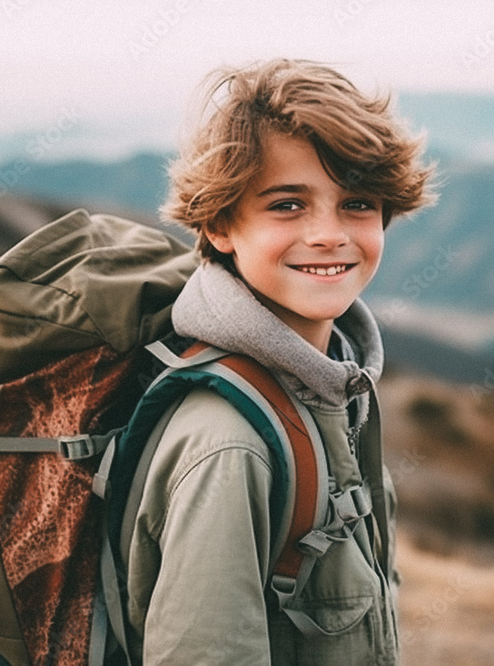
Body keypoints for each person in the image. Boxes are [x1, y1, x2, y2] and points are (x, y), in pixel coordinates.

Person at [123, 59, 435, 665]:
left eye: (358, 203)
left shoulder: (331, 385)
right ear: (219, 224)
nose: (328, 234)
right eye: (288, 205)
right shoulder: (230, 442)